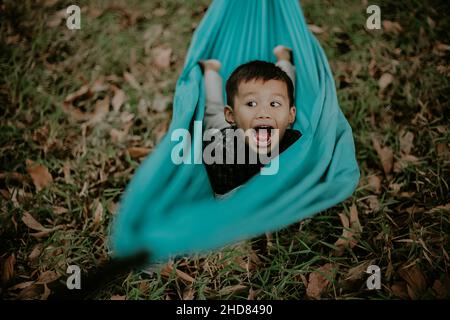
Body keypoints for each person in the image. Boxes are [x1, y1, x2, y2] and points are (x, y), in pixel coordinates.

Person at [201, 45, 301, 198]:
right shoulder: (220, 152)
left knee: (283, 89)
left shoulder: (295, 143)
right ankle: (211, 70)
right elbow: (221, 198)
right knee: (213, 112)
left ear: (291, 115)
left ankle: (284, 59)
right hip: (231, 134)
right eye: (251, 104)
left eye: (273, 104)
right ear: (231, 115)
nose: (264, 112)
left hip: (276, 128)